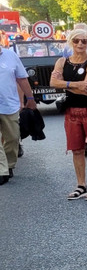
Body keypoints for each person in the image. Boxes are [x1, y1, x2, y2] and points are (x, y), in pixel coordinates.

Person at [51, 32, 87, 199]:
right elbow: (53, 83)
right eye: (76, 40)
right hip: (71, 110)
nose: (80, 44)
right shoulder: (62, 62)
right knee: (76, 149)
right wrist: (75, 84)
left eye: (84, 41)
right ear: (71, 42)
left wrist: (64, 85)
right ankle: (81, 185)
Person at [0, 43, 36, 185]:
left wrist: (30, 98)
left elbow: (21, 78)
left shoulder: (11, 55)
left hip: (9, 105)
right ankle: (2, 170)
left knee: (13, 137)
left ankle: (9, 165)